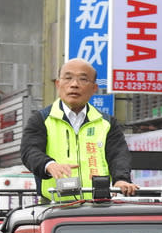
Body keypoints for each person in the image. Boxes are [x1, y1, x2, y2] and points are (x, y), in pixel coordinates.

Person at [20, 58, 138, 201]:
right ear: (58, 84)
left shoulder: (106, 123)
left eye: (83, 79)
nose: (74, 85)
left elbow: (119, 155)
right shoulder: (42, 119)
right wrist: (49, 165)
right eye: (68, 78)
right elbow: (29, 151)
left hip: (99, 207)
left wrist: (120, 179)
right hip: (54, 207)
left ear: (94, 88)